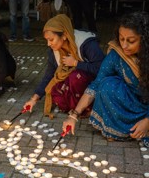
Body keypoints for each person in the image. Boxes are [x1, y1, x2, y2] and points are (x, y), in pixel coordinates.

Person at [62, 11, 149, 147]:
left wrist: (148, 121)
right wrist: (74, 115)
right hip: (132, 102)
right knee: (107, 85)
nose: (124, 45)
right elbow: (96, 85)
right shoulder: (117, 54)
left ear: (144, 40)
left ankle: (142, 126)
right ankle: (125, 129)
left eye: (131, 41)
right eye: (121, 39)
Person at [23, 14, 104, 119]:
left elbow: (102, 69)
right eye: (46, 40)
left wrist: (76, 63)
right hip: (74, 84)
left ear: (65, 35)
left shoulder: (87, 44)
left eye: (51, 39)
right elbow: (49, 75)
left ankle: (87, 108)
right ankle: (76, 107)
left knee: (76, 76)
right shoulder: (54, 51)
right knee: (55, 91)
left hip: (94, 83)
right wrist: (34, 99)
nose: (48, 44)